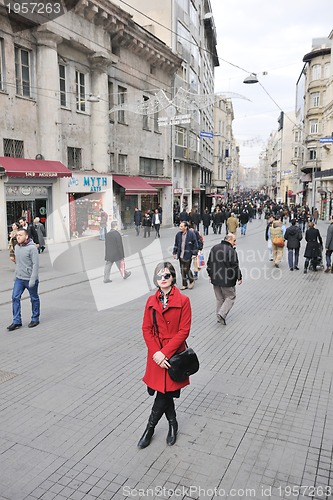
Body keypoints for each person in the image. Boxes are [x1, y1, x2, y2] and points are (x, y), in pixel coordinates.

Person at [138, 261, 192, 449]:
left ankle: (149, 429)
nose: (163, 279)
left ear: (172, 277)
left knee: (164, 392)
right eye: (159, 276)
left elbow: (184, 331)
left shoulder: (183, 301)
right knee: (164, 392)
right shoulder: (151, 301)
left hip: (173, 355)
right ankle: (172, 423)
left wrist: (165, 353)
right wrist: (156, 354)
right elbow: (146, 329)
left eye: (166, 275)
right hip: (156, 356)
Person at [7, 228, 40, 331]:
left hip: (30, 279)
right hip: (19, 279)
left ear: (26, 237)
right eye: (17, 235)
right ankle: (17, 321)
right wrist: (16, 275)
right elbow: (18, 263)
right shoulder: (17, 247)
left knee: (34, 298)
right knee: (15, 297)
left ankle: (35, 318)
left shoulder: (32, 248)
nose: (18, 237)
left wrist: (33, 279)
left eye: (20, 235)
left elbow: (35, 265)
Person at [206, 233, 242, 326]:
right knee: (231, 296)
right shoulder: (231, 251)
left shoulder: (215, 248)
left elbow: (209, 263)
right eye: (234, 241)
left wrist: (210, 274)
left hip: (215, 278)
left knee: (219, 298)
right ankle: (221, 314)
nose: (235, 243)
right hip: (227, 280)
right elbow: (235, 266)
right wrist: (239, 277)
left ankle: (219, 318)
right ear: (229, 240)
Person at [172, 221, 198, 290]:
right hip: (181, 255)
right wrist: (174, 253)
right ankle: (184, 284)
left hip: (188, 255)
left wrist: (194, 253)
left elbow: (195, 244)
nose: (180, 228)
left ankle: (191, 281)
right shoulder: (178, 235)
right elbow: (176, 244)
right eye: (180, 226)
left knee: (186, 269)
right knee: (182, 270)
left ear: (186, 227)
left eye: (181, 226)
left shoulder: (191, 234)